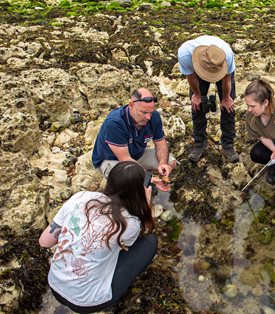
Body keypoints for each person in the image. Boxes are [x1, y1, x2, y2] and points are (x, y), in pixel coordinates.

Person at [39, 161, 158, 313]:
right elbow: (140, 235)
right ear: (138, 191)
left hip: (55, 285)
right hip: (87, 302)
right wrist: (146, 201)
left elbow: (44, 241)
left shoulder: (81, 197)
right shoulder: (130, 223)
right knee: (149, 242)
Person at [92, 88, 175, 191]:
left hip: (136, 154)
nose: (148, 117)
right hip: (112, 159)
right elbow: (125, 159)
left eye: (151, 112)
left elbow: (161, 145)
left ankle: (149, 180)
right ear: (131, 105)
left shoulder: (154, 117)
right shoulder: (114, 123)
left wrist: (163, 163)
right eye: (144, 112)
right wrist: (148, 178)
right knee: (131, 180)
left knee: (171, 162)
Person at [178, 35, 239, 163]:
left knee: (228, 106)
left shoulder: (226, 55)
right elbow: (190, 76)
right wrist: (197, 95)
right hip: (199, 68)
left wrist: (226, 98)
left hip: (221, 69)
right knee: (197, 104)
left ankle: (228, 145)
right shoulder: (185, 54)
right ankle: (199, 143)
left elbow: (227, 78)